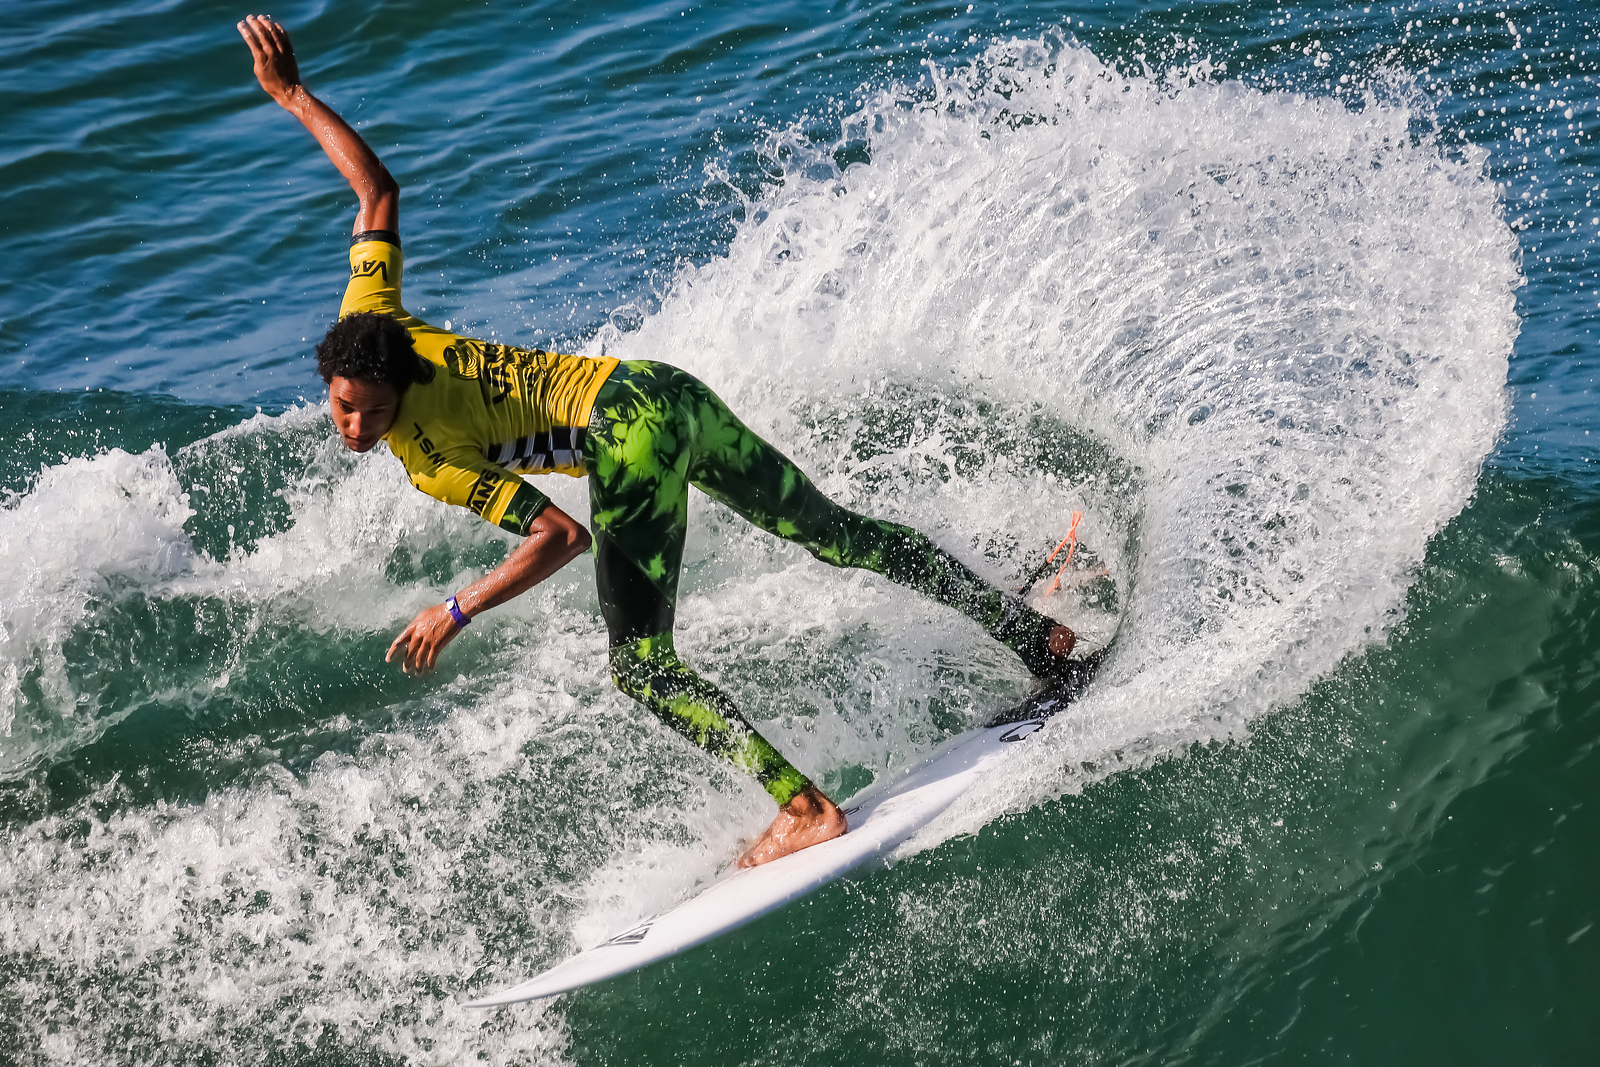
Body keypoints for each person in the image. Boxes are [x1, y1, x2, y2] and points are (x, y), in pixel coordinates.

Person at [237, 15, 1079, 867]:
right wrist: (292, 95)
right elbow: (375, 192)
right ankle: (1033, 636)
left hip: (625, 435)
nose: (354, 427)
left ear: (401, 393)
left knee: (640, 668)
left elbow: (561, 536)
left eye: (369, 414)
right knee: (838, 534)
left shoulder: (427, 456)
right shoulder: (369, 316)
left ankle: (804, 806)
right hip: (655, 386)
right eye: (343, 408)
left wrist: (455, 610)